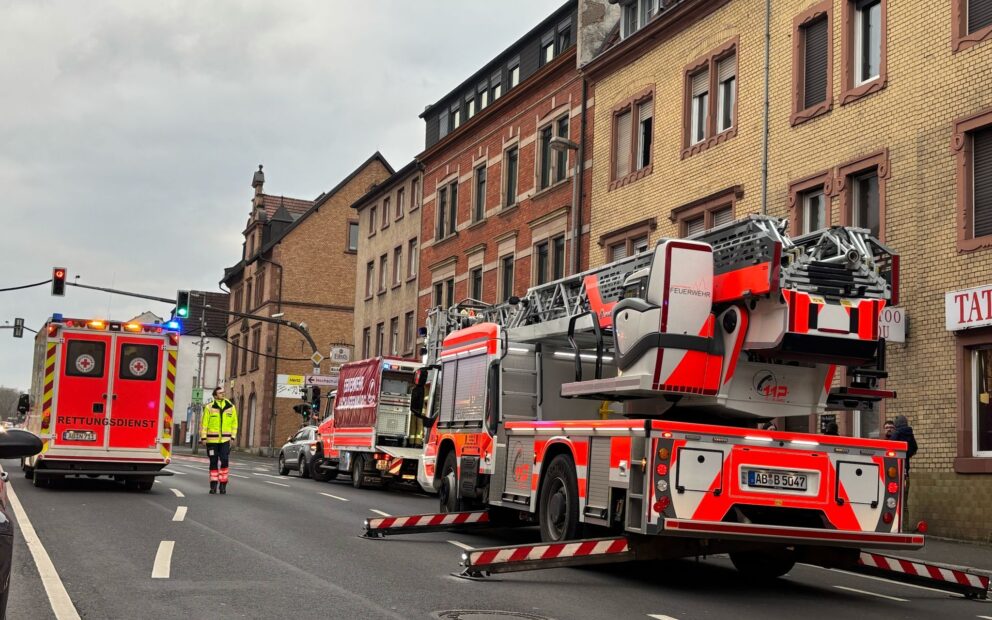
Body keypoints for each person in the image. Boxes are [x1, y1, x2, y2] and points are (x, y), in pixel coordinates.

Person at [201, 387, 238, 494]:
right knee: (213, 462)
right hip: (212, 441)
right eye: (220, 393)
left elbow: (234, 423)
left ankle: (223, 485)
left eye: (223, 392)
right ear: (215, 395)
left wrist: (232, 437)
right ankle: (213, 486)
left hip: (225, 440)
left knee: (225, 460)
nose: (223, 394)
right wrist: (203, 438)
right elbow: (204, 424)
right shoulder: (209, 407)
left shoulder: (231, 407)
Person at [891, 415, 918, 520]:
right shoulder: (910, 434)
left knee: (894, 501)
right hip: (905, 471)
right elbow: (914, 448)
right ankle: (905, 526)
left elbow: (890, 447)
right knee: (904, 502)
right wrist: (906, 456)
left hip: (895, 471)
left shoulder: (896, 434)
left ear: (896, 424)